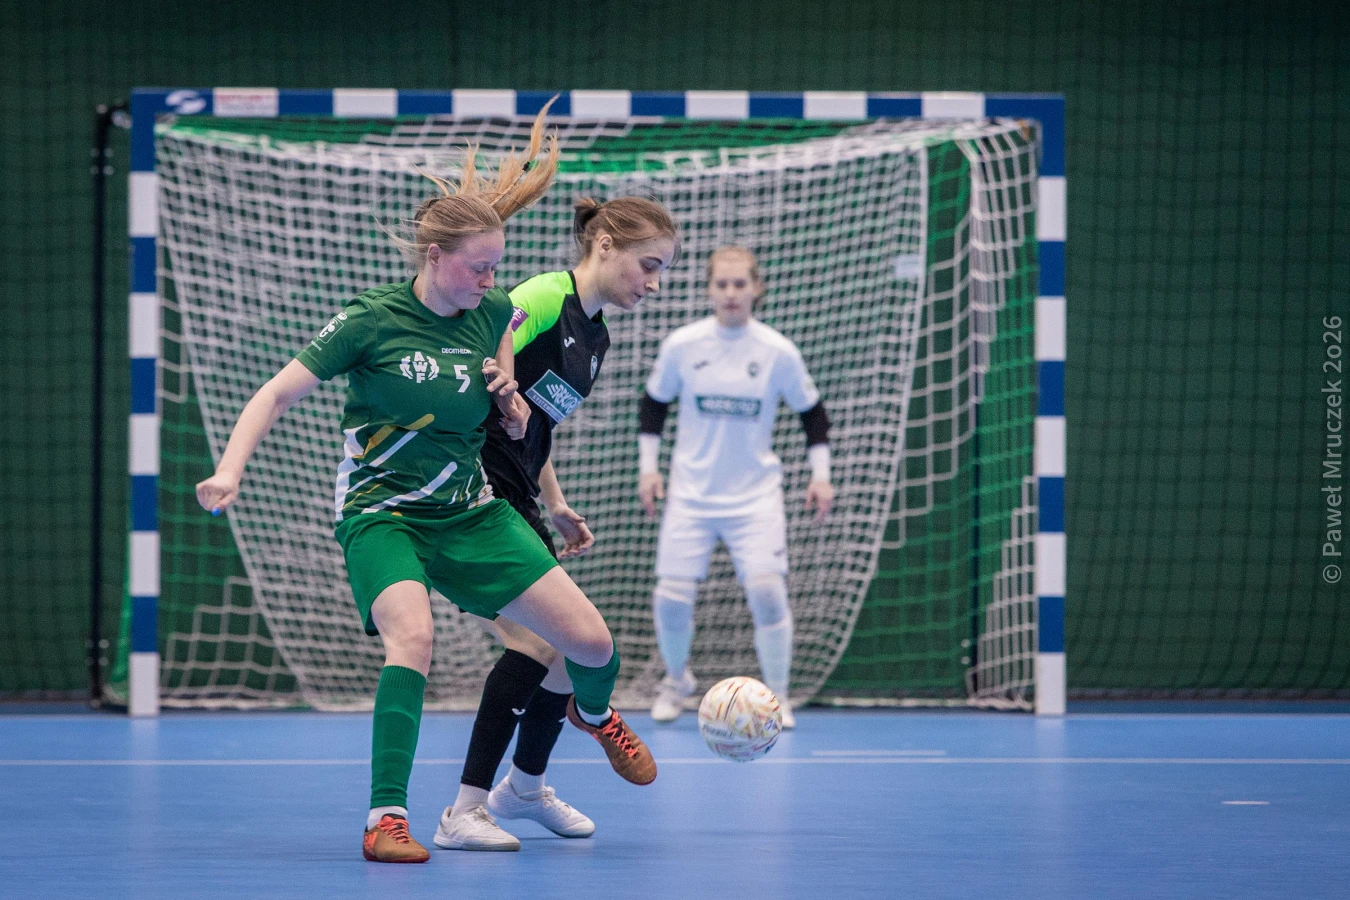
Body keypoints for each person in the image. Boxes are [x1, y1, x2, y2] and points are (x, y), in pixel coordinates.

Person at [194, 107, 656, 865]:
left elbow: (513, 424)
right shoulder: (370, 321)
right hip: (383, 514)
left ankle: (594, 715)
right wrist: (229, 469)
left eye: (496, 266)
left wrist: (513, 409)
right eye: (479, 267)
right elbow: (275, 394)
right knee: (413, 636)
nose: (492, 281)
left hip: (468, 511)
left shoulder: (495, 313)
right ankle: (387, 818)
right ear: (435, 257)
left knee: (592, 642)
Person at [442, 196, 679, 851]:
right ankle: (463, 810)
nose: (654, 285)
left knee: (570, 656)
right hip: (474, 488)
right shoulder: (546, 295)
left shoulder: (595, 338)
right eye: (649, 266)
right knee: (536, 646)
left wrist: (556, 502)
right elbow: (485, 350)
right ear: (605, 245)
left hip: (520, 491)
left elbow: (534, 424)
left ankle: (523, 789)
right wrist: (498, 395)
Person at [637, 245, 834, 730]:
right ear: (709, 289)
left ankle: (779, 695)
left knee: (767, 592)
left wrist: (821, 475)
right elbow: (653, 405)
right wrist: (649, 469)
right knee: (671, 596)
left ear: (756, 288)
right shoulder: (683, 345)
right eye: (721, 284)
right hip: (691, 494)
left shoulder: (777, 351)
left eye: (740, 284)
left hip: (755, 498)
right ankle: (676, 681)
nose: (730, 293)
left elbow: (813, 414)